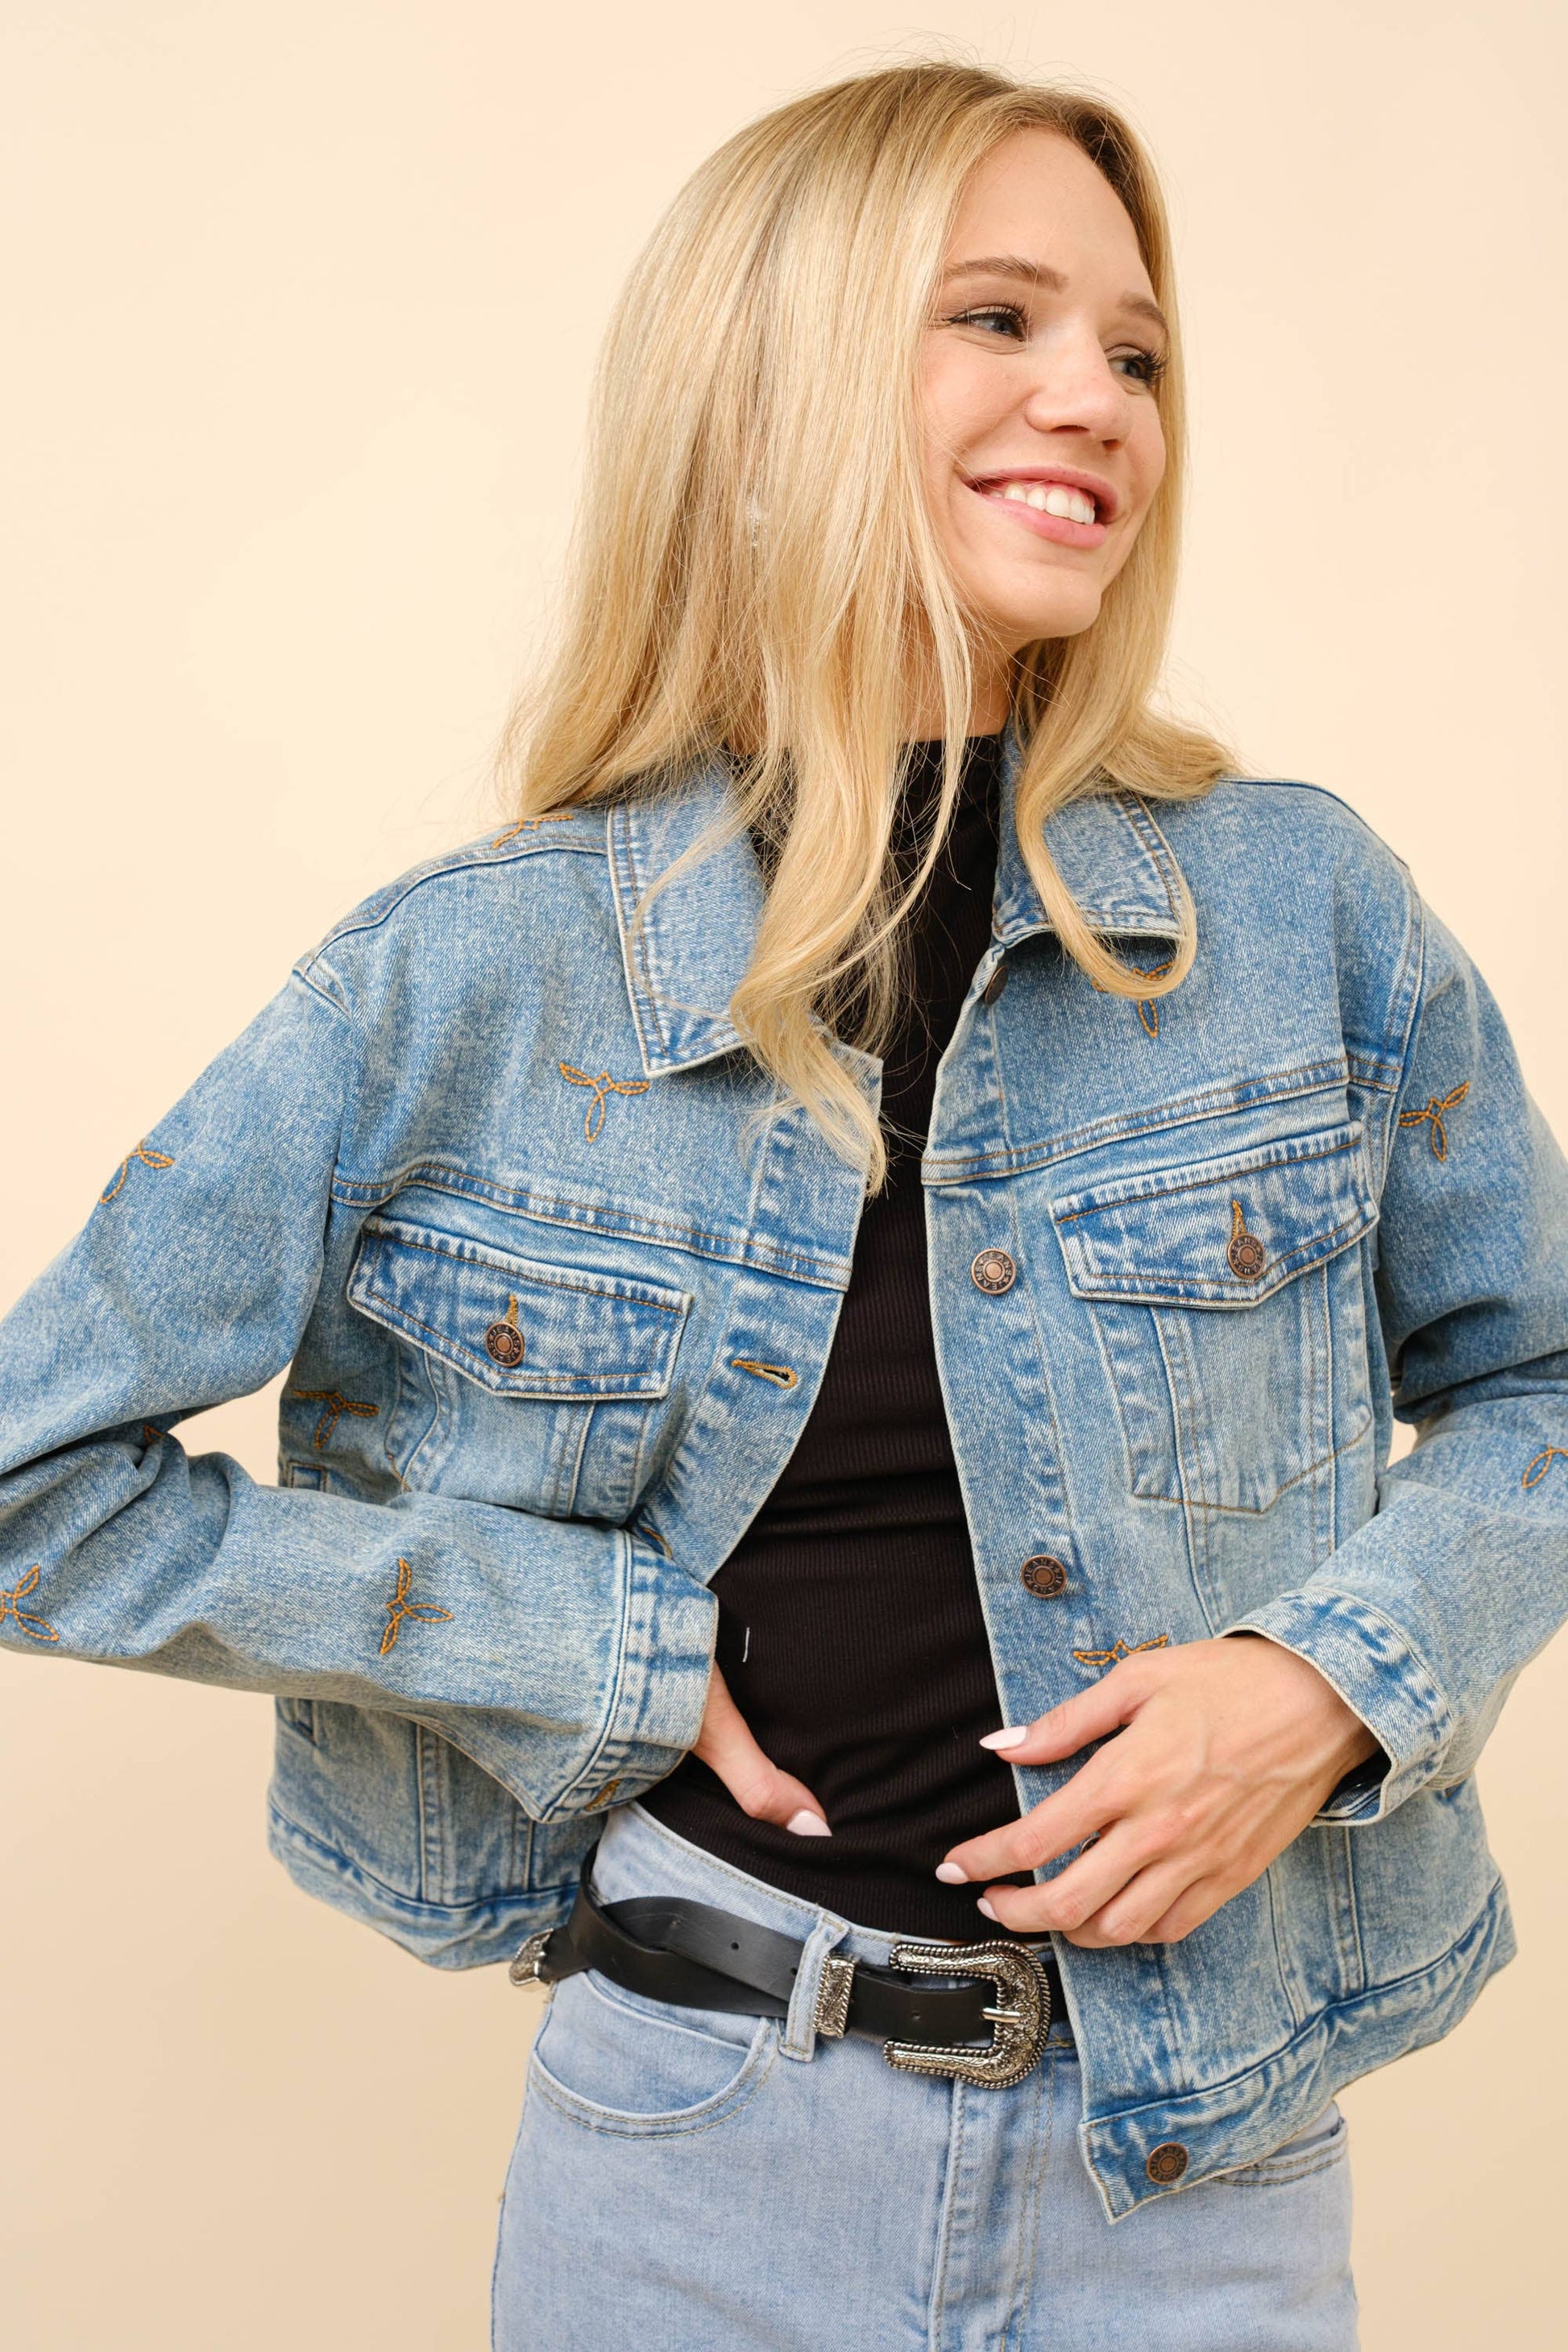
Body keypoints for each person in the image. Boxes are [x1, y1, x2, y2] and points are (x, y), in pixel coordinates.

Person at [2, 59, 1564, 2352]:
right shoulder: (473, 978)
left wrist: (1330, 1681)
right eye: (998, 319)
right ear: (772, 387)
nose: (1097, 398)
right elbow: (30, 1479)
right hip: (699, 2158)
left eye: (1135, 350)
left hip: (1201, 2178)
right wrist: (581, 1648)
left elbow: (1544, 1384)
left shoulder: (1298, 917)